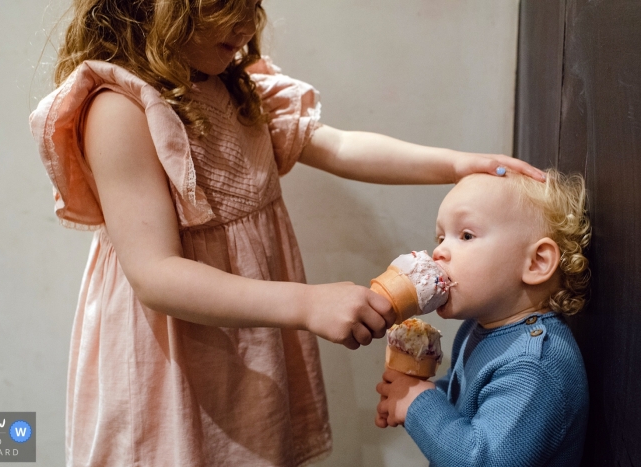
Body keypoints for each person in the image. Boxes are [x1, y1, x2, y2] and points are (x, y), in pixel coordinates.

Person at [29, 0, 545, 465]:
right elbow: (155, 275)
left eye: (253, 3)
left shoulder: (237, 85)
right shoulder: (121, 108)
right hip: (172, 359)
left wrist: (457, 163)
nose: (247, 21)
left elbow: (339, 146)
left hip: (246, 345)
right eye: (224, 5)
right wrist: (305, 304)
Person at [375, 169, 591, 466]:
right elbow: (462, 393)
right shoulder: (479, 328)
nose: (438, 251)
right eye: (440, 237)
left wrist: (417, 404)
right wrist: (412, 394)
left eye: (465, 235)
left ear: (537, 262)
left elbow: (482, 458)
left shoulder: (534, 366)